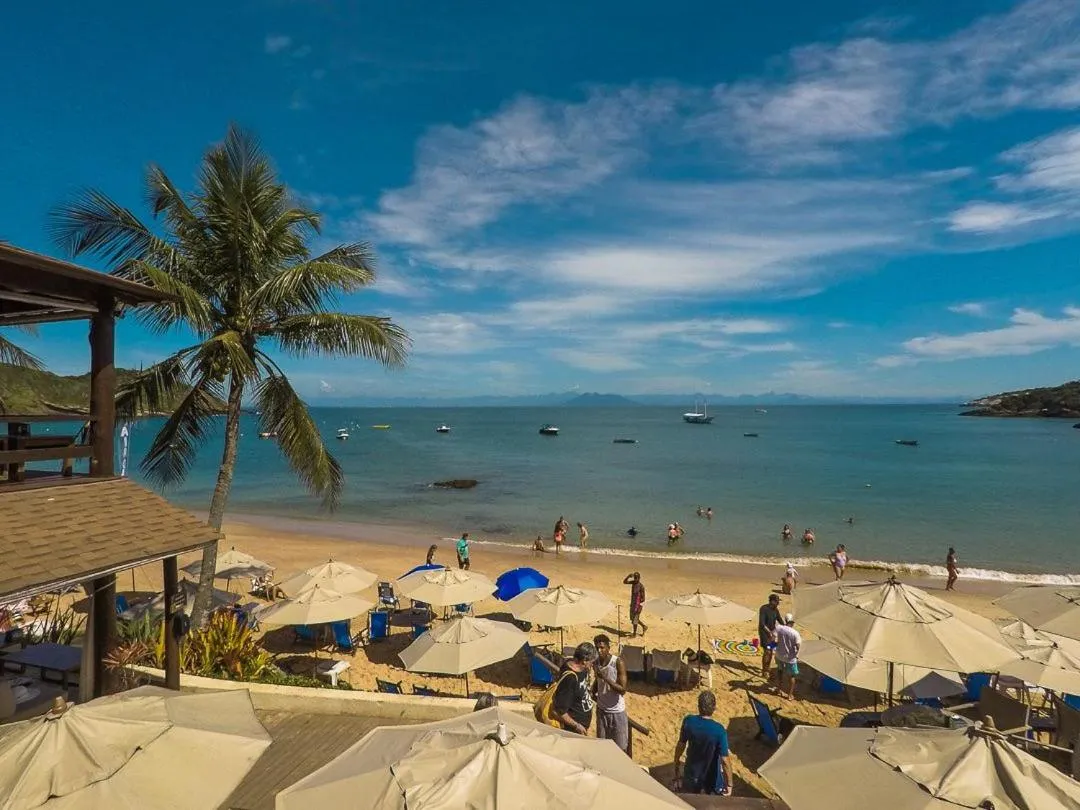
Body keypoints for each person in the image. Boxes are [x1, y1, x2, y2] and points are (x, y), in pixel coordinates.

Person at [672, 690, 733, 796]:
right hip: (712, 779)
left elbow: (681, 745)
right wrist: (729, 784)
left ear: (698, 706)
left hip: (691, 775)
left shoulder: (688, 721)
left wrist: (676, 761)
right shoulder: (719, 730)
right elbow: (725, 761)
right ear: (714, 708)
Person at [592, 634, 629, 752]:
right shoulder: (596, 663)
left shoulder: (618, 662)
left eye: (602, 648)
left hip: (616, 712)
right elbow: (598, 681)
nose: (599, 650)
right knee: (603, 747)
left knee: (620, 748)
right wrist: (593, 691)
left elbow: (622, 690)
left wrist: (606, 679)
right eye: (597, 648)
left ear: (608, 648)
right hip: (601, 711)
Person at [552, 642, 597, 734]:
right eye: (591, 662)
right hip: (571, 731)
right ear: (584, 660)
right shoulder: (570, 679)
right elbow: (560, 711)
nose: (592, 664)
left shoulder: (582, 669)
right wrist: (576, 726)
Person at [774, 613, 802, 700]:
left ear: (786, 620)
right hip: (790, 658)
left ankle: (778, 689)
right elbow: (798, 646)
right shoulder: (795, 633)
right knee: (791, 676)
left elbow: (773, 638)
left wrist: (772, 647)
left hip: (779, 655)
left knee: (780, 672)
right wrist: (797, 655)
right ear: (792, 622)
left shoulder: (779, 628)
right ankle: (790, 695)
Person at [758, 594, 782, 679]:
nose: (778, 603)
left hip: (772, 634)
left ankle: (768, 668)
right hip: (765, 633)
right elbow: (762, 624)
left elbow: (780, 620)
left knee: (771, 651)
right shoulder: (764, 609)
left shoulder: (775, 610)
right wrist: (770, 633)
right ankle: (764, 671)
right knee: (767, 651)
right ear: (772, 601)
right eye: (777, 601)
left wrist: (786, 628)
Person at [623, 572, 648, 636]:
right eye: (635, 578)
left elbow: (643, 599)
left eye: (637, 578)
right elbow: (624, 582)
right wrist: (628, 576)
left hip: (638, 606)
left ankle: (634, 634)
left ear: (639, 578)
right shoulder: (633, 583)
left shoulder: (641, 586)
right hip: (633, 604)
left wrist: (638, 606)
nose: (636, 579)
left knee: (635, 620)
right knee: (632, 619)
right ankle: (644, 626)